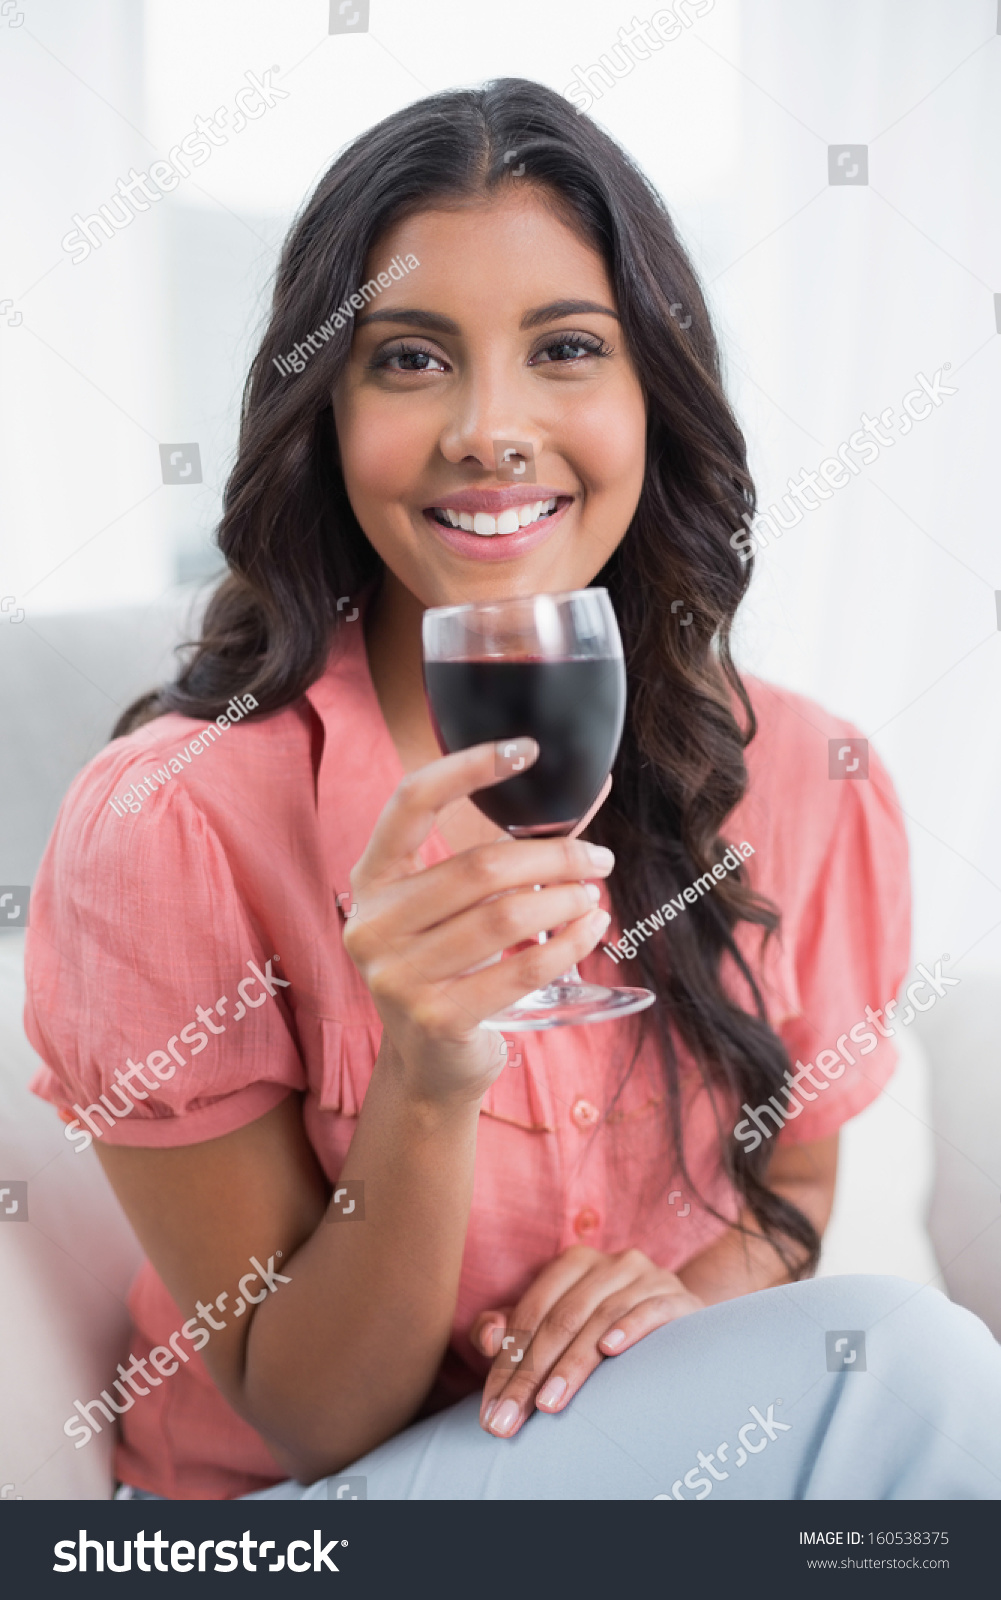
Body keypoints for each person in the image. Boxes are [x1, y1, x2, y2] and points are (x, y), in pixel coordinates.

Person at [25, 79, 1001, 1502]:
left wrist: (675, 1316)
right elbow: (305, 1416)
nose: (489, 427)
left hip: (655, 1484)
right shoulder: (170, 825)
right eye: (410, 359)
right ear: (327, 413)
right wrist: (426, 1079)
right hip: (299, 1527)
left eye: (563, 348)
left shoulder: (800, 773)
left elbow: (786, 1196)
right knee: (916, 1368)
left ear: (650, 398)